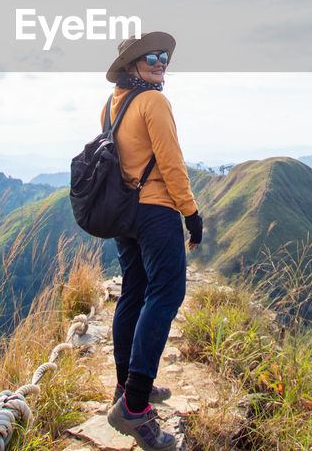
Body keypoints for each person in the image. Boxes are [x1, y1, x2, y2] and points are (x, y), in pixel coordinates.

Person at [102, 32, 202, 451]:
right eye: (151, 58)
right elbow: (170, 162)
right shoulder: (154, 102)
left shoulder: (114, 103)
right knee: (167, 293)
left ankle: (126, 386)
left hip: (125, 212)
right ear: (132, 64)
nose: (161, 63)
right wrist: (191, 213)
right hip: (156, 210)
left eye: (163, 57)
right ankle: (136, 407)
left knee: (135, 293)